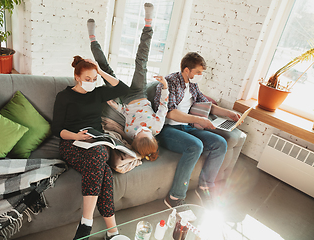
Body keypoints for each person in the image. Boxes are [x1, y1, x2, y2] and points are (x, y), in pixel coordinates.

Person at [51, 55, 129, 240]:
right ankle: (111, 232)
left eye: (94, 79)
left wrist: (99, 70)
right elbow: (57, 129)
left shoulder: (97, 93)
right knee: (104, 171)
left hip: (96, 142)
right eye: (87, 79)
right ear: (77, 77)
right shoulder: (64, 96)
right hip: (71, 143)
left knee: (99, 154)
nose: (91, 83)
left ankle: (88, 224)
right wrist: (76, 136)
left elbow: (123, 89)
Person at [154, 52, 242, 208]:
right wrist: (199, 120)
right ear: (187, 70)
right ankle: (174, 197)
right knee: (195, 146)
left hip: (186, 127)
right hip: (166, 129)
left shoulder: (193, 84)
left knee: (220, 143)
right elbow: (170, 112)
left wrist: (228, 113)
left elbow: (207, 103)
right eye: (198, 72)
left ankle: (204, 187)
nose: (201, 75)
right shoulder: (169, 82)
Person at [87, 2, 168, 161]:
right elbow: (163, 106)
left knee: (105, 71)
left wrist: (115, 106)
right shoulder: (157, 127)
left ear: (134, 140)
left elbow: (127, 114)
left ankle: (92, 39)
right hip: (140, 93)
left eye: (138, 134)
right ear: (153, 137)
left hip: (123, 98)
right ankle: (148, 23)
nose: (141, 130)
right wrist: (165, 87)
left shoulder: (130, 133)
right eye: (145, 132)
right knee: (141, 62)